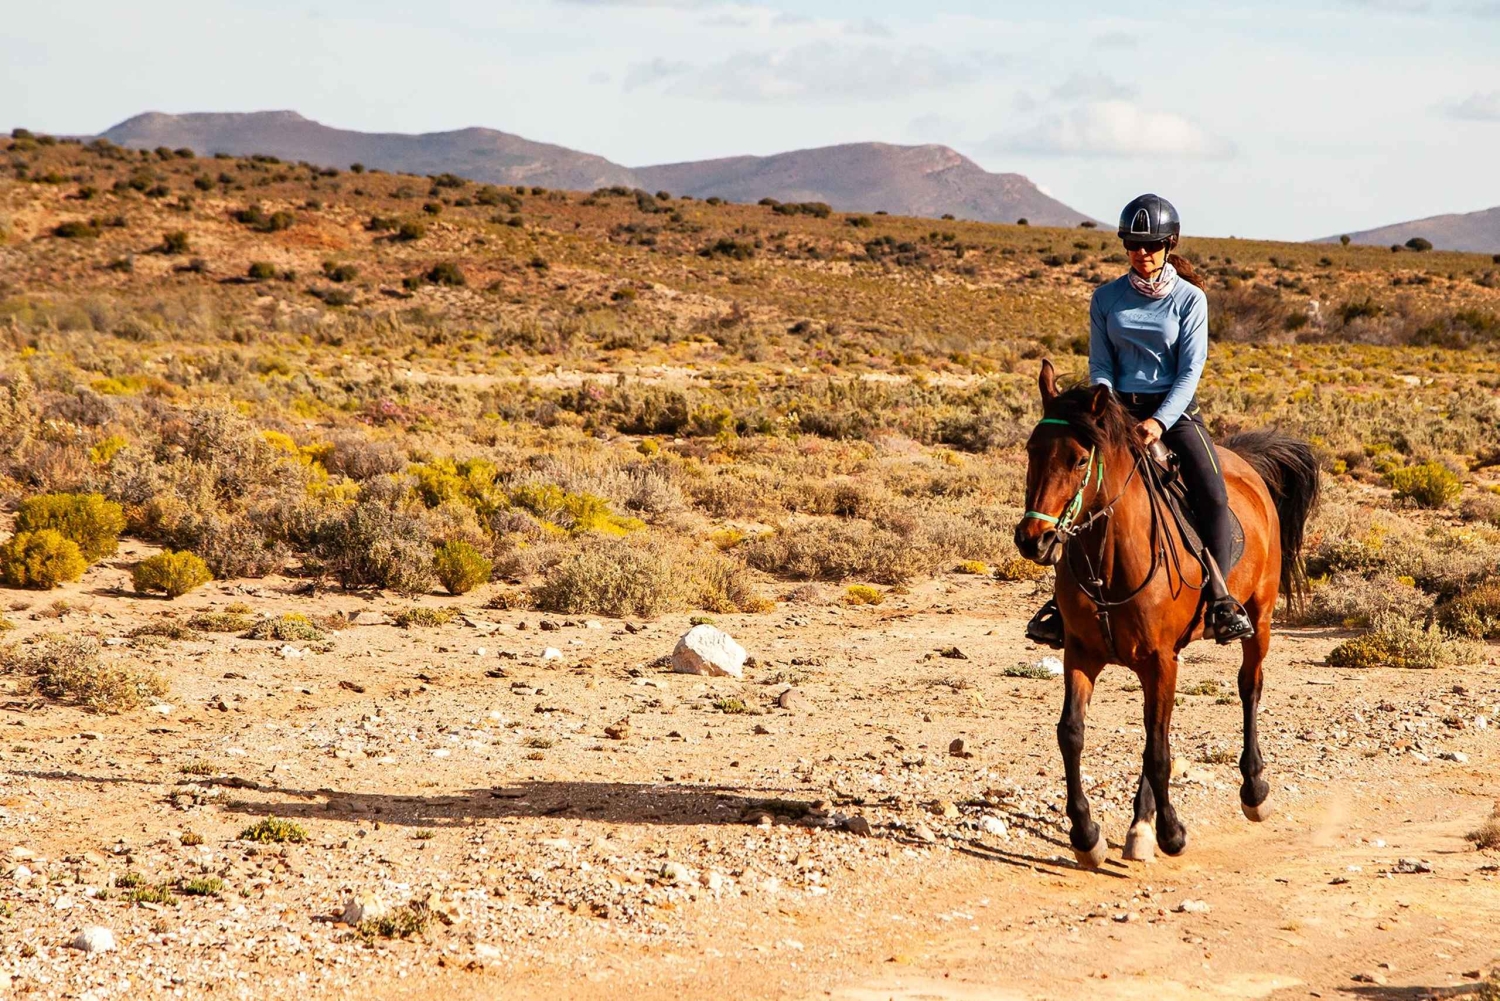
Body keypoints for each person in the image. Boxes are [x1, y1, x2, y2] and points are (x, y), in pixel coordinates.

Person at [1025, 193, 1255, 648]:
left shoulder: (1191, 300)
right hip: (1115, 410)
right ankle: (1062, 603)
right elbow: (1101, 364)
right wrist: (1107, 407)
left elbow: (1191, 370)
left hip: (1175, 411)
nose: (1141, 253)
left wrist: (1160, 422)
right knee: (1082, 490)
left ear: (1169, 245)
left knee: (1211, 492)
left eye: (1150, 245)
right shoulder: (1106, 297)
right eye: (1133, 244)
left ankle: (1222, 598)